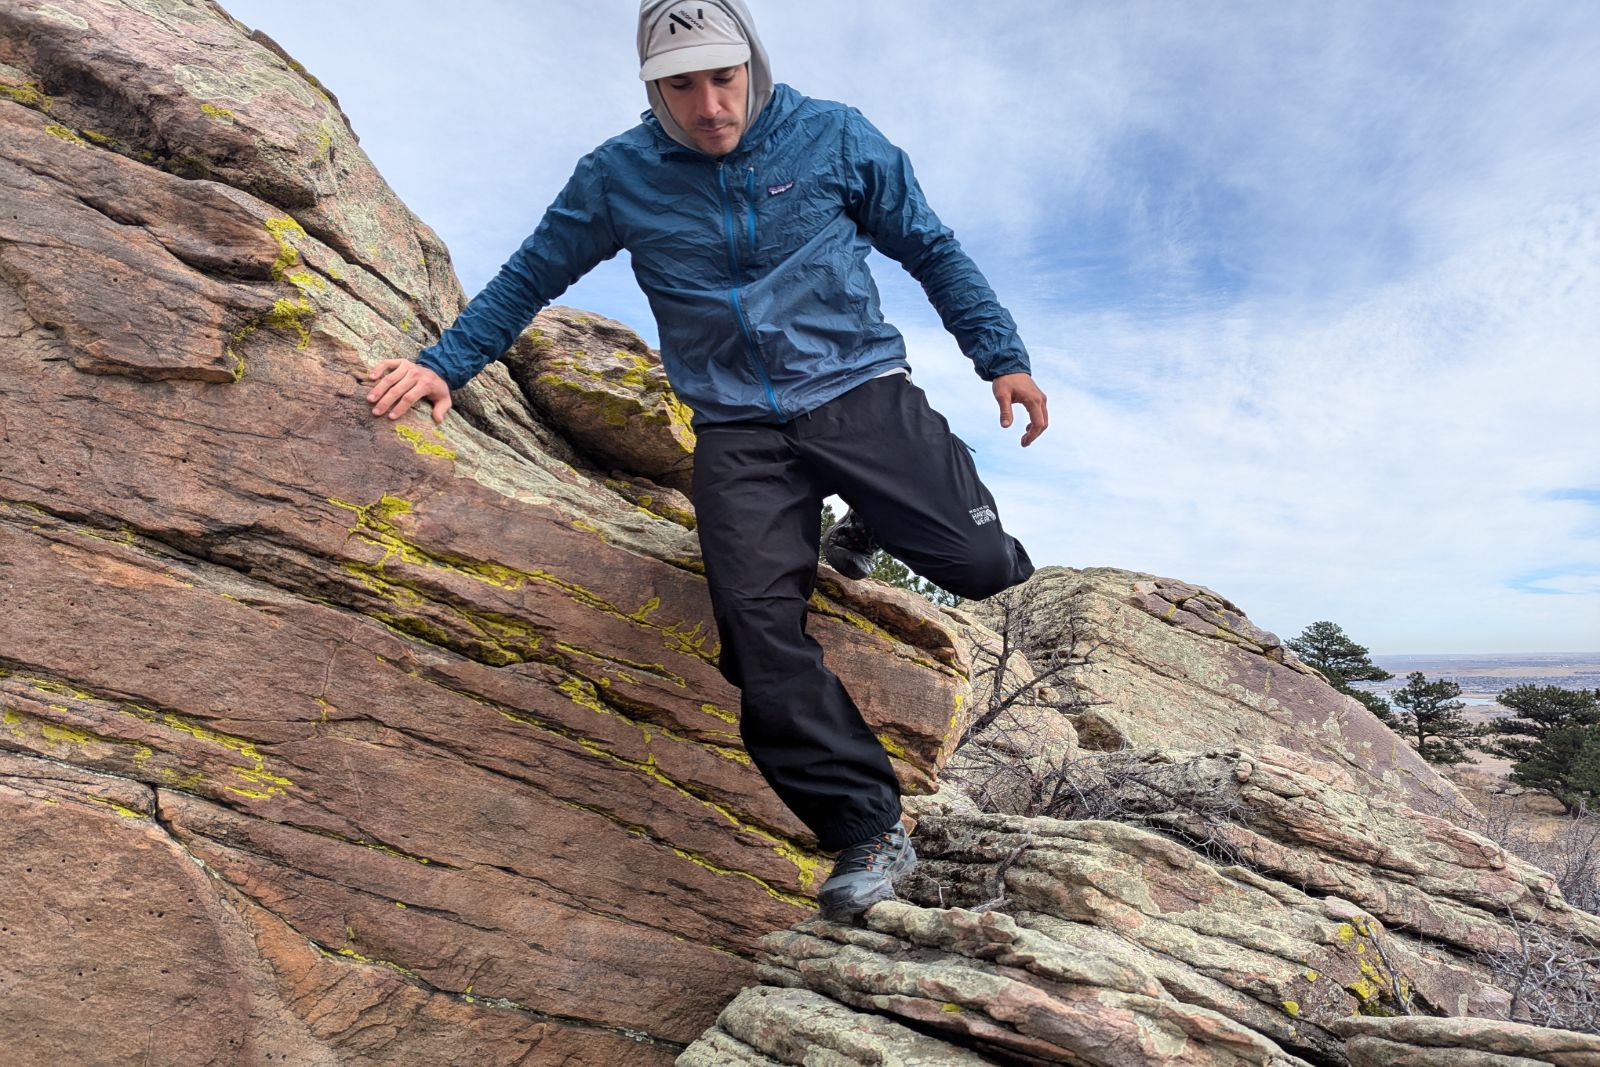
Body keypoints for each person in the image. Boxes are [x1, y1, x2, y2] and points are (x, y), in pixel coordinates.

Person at [364, 0, 1047, 922]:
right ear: (653, 88)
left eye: (723, 78)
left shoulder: (835, 136)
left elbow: (929, 246)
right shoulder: (618, 174)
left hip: (859, 391)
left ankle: (872, 514)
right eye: (681, 86)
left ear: (753, 64)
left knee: (981, 566)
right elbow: (530, 276)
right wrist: (443, 365)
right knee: (757, 639)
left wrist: (1000, 355)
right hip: (738, 431)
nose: (709, 105)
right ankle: (869, 828)